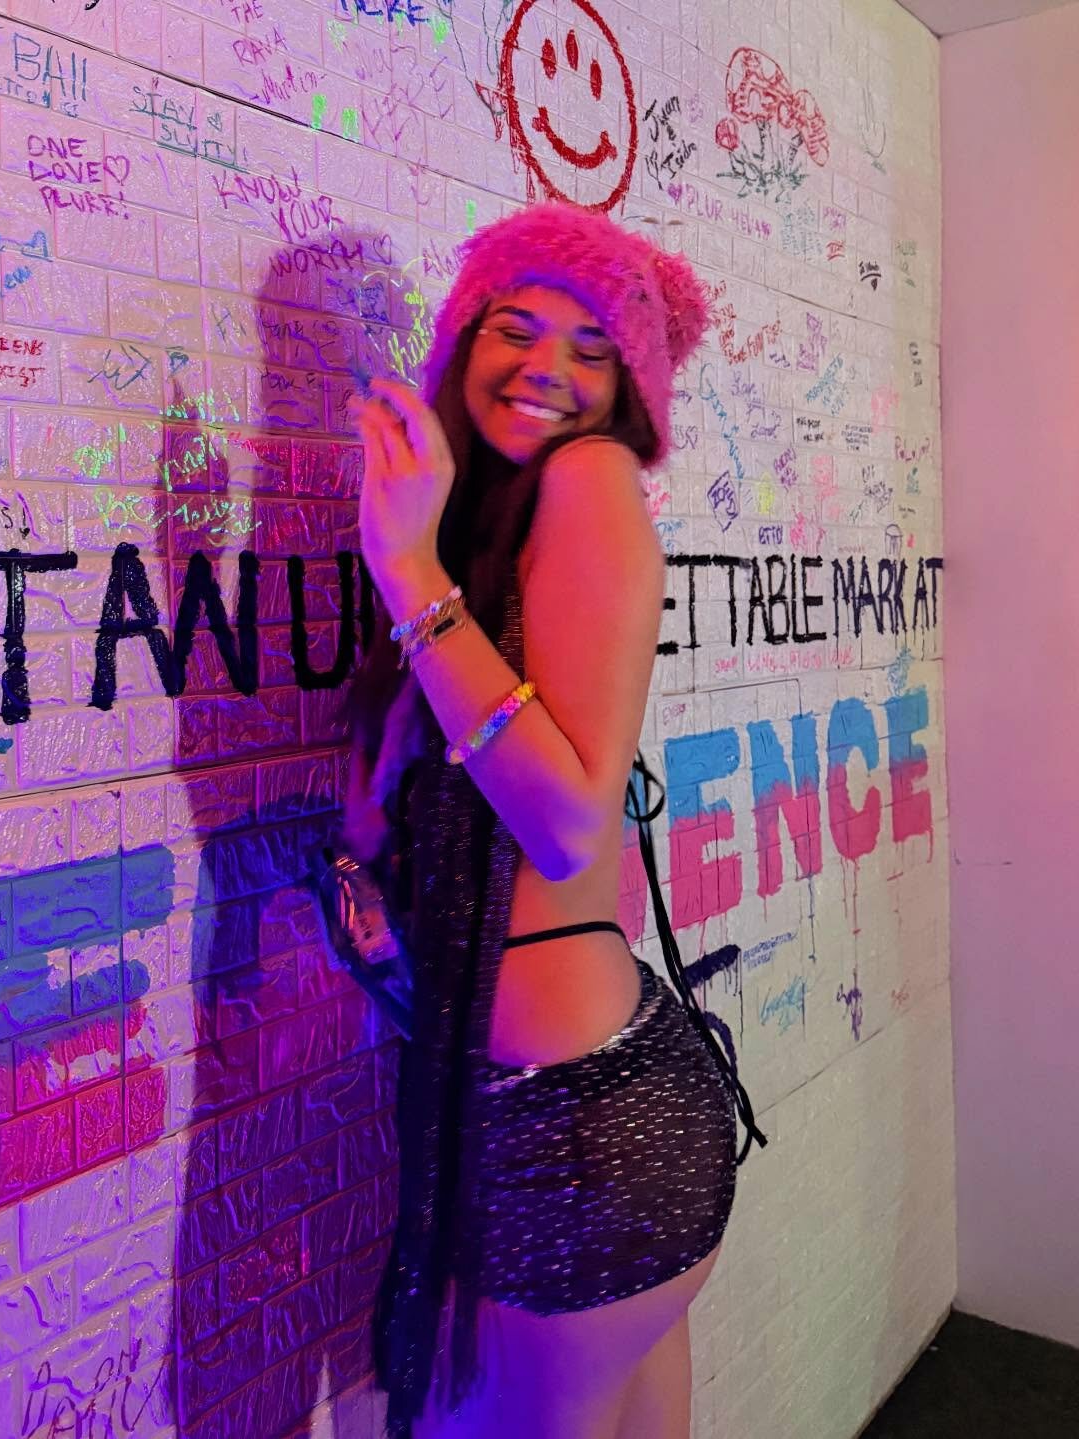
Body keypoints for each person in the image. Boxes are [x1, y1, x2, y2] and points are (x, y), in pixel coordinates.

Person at [343, 203, 760, 1438]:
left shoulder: (585, 479)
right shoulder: (493, 530)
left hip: (575, 1128)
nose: (545, 368)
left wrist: (409, 577)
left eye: (592, 350)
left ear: (630, 389)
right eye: (513, 327)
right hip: (598, 1106)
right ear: (462, 337)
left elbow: (571, 821)